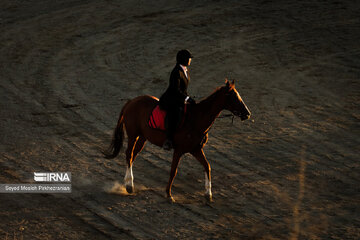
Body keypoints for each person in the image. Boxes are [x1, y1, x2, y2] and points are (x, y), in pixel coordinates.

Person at [159, 49, 196, 150]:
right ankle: (168, 139)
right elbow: (175, 89)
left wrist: (189, 98)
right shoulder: (176, 72)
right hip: (171, 99)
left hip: (179, 98)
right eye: (189, 58)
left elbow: (183, 89)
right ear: (184, 59)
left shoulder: (185, 71)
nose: (190, 60)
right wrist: (187, 98)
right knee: (175, 113)